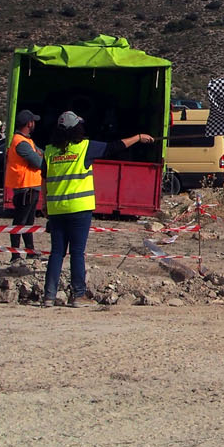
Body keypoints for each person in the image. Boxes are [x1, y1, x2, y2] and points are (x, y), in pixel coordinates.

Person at [41, 111, 155, 308]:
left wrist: (44, 204)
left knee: (56, 252)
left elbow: (43, 178)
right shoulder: (85, 147)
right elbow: (115, 147)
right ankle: (78, 295)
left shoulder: (49, 151)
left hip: (57, 209)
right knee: (77, 252)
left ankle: (48, 296)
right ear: (77, 128)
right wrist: (137, 137)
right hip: (79, 208)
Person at [5, 110, 44, 264]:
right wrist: (38, 158)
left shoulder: (27, 141)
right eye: (33, 121)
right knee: (20, 222)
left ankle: (30, 250)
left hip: (31, 186)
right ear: (29, 123)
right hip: (24, 187)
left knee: (28, 222)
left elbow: (41, 154)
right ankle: (15, 254)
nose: (34, 123)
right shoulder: (21, 142)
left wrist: (39, 157)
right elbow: (39, 161)